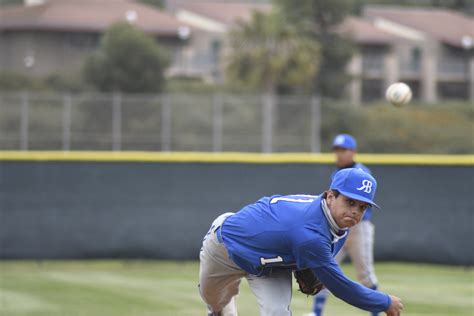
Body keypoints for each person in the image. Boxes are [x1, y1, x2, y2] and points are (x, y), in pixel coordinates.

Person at [198, 168, 403, 316]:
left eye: (362, 207)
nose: (355, 211)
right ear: (330, 196)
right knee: (215, 301)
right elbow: (340, 286)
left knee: (277, 312)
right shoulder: (310, 233)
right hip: (226, 247)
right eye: (350, 202)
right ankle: (220, 307)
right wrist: (383, 301)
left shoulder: (339, 224)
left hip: (271, 265)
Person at [309, 134, 381, 316]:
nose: (339, 154)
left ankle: (377, 311)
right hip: (337, 227)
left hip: (359, 228)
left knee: (365, 275)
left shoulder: (362, 172)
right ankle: (316, 313)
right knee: (325, 269)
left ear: (353, 152)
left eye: (343, 150)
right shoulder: (337, 173)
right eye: (337, 150)